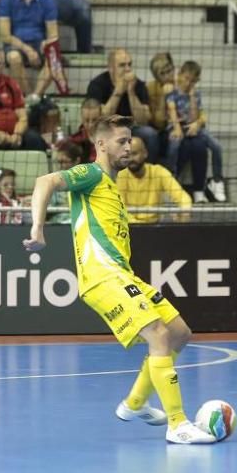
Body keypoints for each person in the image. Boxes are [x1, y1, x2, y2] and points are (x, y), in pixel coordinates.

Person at [23, 114, 216, 444]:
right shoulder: (91, 174)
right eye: (122, 141)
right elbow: (45, 182)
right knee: (157, 334)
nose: (130, 146)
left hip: (122, 274)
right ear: (101, 145)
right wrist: (37, 227)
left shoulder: (111, 184)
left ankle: (134, 405)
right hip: (102, 276)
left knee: (179, 333)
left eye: (130, 140)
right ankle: (178, 425)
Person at [0, 0, 62, 101]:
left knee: (54, 58)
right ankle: (26, 98)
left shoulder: (47, 1)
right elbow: (5, 35)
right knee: (14, 58)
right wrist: (27, 50)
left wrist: (46, 44)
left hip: (38, 42)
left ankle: (35, 96)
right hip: (15, 44)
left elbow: (53, 35)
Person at [165, 60, 226, 203]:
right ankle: (170, 178)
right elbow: (172, 110)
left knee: (217, 146)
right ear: (180, 75)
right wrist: (177, 128)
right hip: (177, 126)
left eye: (192, 81)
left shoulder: (196, 95)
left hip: (193, 127)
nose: (188, 83)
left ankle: (217, 181)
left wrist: (192, 97)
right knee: (174, 145)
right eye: (186, 79)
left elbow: (194, 116)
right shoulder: (172, 93)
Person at [86, 48, 159, 161]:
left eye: (129, 64)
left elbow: (143, 120)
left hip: (131, 127)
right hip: (107, 128)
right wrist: (118, 91)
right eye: (122, 65)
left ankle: (150, 174)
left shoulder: (138, 85)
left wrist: (131, 92)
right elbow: (101, 118)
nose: (128, 69)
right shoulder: (97, 84)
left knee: (150, 134)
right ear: (111, 68)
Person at [116, 136, 193, 224]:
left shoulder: (158, 172)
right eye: (128, 155)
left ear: (145, 153)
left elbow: (182, 197)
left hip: (154, 225)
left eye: (134, 153)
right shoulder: (122, 175)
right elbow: (120, 208)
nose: (131, 159)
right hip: (130, 226)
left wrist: (184, 213)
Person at [69, 97, 102, 162]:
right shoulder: (74, 140)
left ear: (101, 117)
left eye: (94, 120)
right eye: (86, 120)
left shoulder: (108, 139)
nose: (90, 124)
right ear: (81, 118)